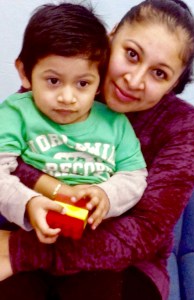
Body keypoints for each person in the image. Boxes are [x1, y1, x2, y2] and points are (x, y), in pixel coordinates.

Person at [0, 0, 194, 299]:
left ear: (174, 84)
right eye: (131, 55)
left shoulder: (184, 127)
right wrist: (56, 192)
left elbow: (144, 232)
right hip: (31, 226)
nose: (133, 81)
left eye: (159, 73)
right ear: (111, 38)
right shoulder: (59, 84)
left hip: (125, 262)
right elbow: (10, 159)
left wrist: (20, 251)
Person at [0, 2, 147, 243]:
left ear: (100, 83)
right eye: (53, 80)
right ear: (25, 73)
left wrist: (106, 194)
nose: (67, 98)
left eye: (82, 84)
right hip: (28, 231)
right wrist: (28, 203)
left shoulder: (115, 123)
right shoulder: (15, 113)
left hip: (94, 238)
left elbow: (134, 175)